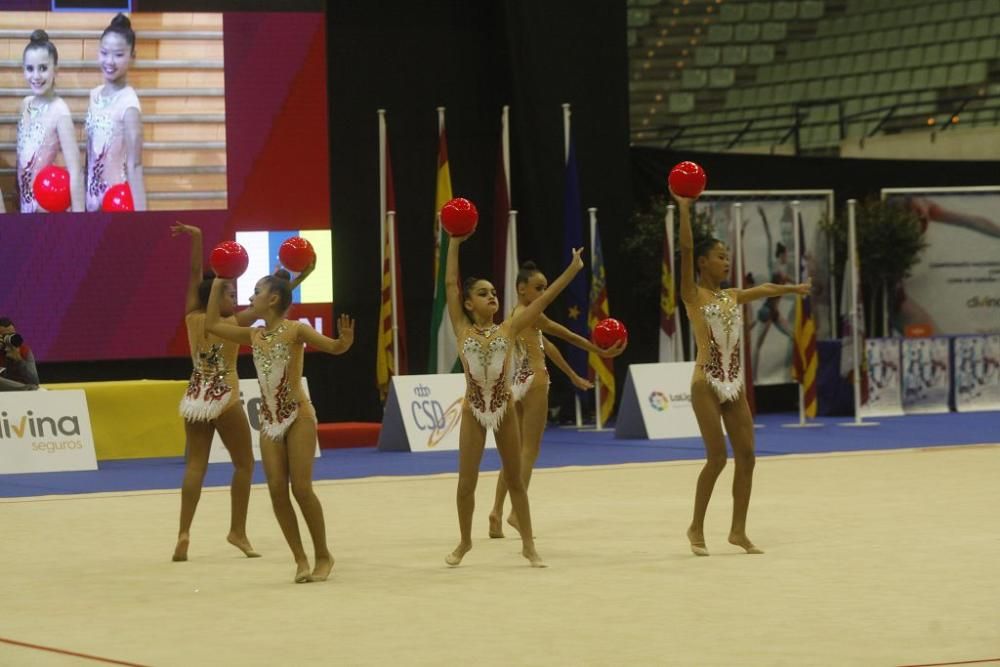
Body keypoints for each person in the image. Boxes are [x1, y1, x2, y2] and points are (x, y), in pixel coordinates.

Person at [675, 190, 810, 556]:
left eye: (727, 256)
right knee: (717, 457)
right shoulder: (693, 294)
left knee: (748, 456)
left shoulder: (731, 295)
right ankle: (695, 527)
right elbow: (685, 250)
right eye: (720, 257)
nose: (726, 261)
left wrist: (792, 289)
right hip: (705, 382)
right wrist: (685, 211)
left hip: (733, 386)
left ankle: (737, 530)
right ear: (703, 263)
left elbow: (763, 289)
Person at [443, 230, 584, 568]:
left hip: (504, 408)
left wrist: (573, 269)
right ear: (467, 303)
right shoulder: (461, 327)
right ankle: (464, 542)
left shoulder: (510, 326)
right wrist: (454, 243)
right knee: (467, 482)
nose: (491, 297)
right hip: (475, 409)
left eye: (493, 292)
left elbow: (544, 300)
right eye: (482, 293)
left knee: (516, 478)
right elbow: (450, 284)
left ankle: (528, 545)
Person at [170, 223, 310, 562]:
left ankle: (183, 532)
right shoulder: (232, 324)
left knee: (195, 467)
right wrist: (299, 276)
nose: (237, 297)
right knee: (244, 464)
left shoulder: (193, 318)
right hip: (224, 396)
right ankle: (238, 531)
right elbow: (273, 305)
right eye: (231, 294)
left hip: (196, 396)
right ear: (219, 298)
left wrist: (198, 238)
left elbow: (193, 276)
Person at [205, 272, 354, 583]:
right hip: (270, 421)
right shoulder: (254, 335)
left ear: (272, 299)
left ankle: (323, 554)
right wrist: (218, 281)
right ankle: (300, 558)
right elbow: (212, 326)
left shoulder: (296, 330)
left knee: (301, 488)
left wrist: (344, 341)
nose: (250, 297)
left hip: (298, 415)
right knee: (276, 489)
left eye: (256, 291)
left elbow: (334, 348)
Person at [488, 260, 626, 539]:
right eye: (538, 288)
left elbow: (548, 347)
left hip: (516, 385)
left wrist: (573, 375)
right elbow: (567, 335)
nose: (543, 293)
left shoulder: (516, 316)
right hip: (536, 381)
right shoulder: (533, 314)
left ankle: (496, 513)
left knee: (513, 454)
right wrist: (599, 351)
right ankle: (517, 511)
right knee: (530, 451)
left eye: (545, 288)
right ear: (522, 289)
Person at [17, 30, 84, 213]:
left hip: (46, 207)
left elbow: (76, 170)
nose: (36, 76)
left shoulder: (59, 110)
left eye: (43, 68)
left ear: (56, 70)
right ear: (24, 70)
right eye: (30, 69)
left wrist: (81, 221)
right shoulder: (25, 104)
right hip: (25, 205)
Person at [85, 13, 146, 212]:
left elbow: (135, 166)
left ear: (133, 57)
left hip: (117, 203)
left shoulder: (129, 105)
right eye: (104, 52)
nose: (109, 61)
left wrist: (143, 219)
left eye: (118, 55)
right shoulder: (93, 95)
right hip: (91, 200)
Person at [0, 317, 40, 391]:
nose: (10, 338)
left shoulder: (24, 350)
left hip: (19, 393)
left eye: (12, 335)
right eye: (5, 336)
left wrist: (19, 360)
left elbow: (34, 382)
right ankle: (26, 388)